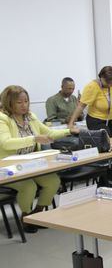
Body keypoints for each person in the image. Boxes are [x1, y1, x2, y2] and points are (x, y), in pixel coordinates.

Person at [0, 85, 78, 233]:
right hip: (8, 167)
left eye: (26, 101)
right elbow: (6, 143)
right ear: (9, 102)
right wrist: (34, 138)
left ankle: (37, 213)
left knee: (53, 181)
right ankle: (25, 218)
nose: (24, 105)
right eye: (19, 102)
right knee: (29, 187)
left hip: (30, 164)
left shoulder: (30, 117)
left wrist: (69, 131)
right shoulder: (2, 119)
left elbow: (48, 133)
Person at [68, 66, 112, 137]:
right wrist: (71, 123)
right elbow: (81, 106)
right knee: (106, 140)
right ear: (102, 77)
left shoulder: (111, 85)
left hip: (111, 121)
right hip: (96, 121)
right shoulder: (92, 87)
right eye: (109, 82)